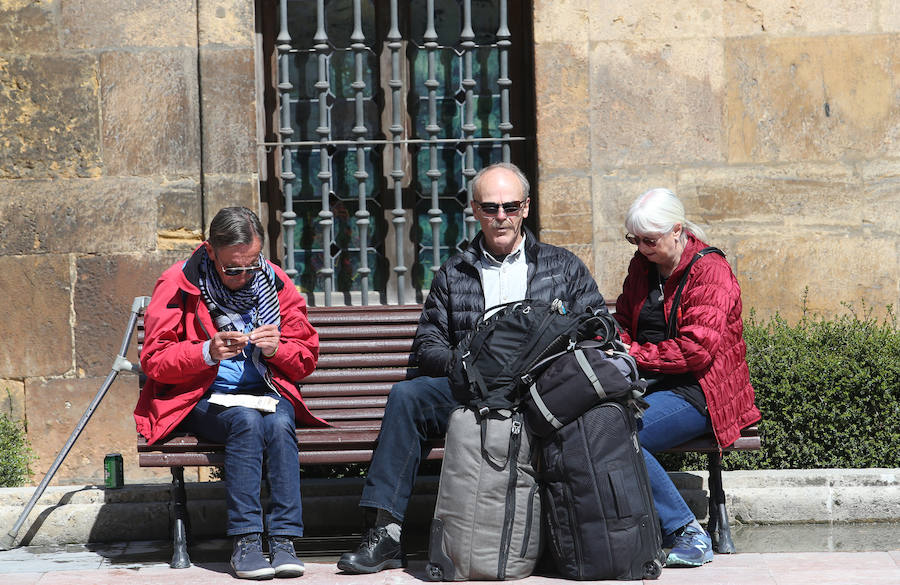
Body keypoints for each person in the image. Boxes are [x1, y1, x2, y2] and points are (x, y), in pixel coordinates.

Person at [337, 162, 609, 574]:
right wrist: (467, 367)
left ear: (526, 208)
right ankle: (386, 533)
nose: (501, 216)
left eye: (510, 206)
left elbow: (601, 328)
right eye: (490, 207)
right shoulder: (454, 272)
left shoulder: (562, 266)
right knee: (407, 396)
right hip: (473, 388)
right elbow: (427, 346)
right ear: (474, 211)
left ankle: (585, 537)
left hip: (541, 392)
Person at [134, 206, 325, 580]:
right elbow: (154, 360)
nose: (242, 277)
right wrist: (206, 352)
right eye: (232, 269)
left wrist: (276, 349)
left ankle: (284, 539)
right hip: (201, 398)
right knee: (246, 422)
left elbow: (305, 359)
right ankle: (247, 540)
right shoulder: (178, 283)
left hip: (265, 391)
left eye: (251, 265)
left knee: (280, 421)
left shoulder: (275, 282)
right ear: (210, 252)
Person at [614, 188, 761, 567]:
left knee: (620, 433)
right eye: (635, 240)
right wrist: (614, 342)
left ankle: (688, 533)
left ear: (677, 230)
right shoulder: (642, 266)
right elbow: (624, 322)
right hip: (651, 381)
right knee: (592, 423)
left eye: (650, 240)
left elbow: (696, 350)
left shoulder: (711, 271)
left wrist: (631, 354)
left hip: (703, 392)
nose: (642, 248)